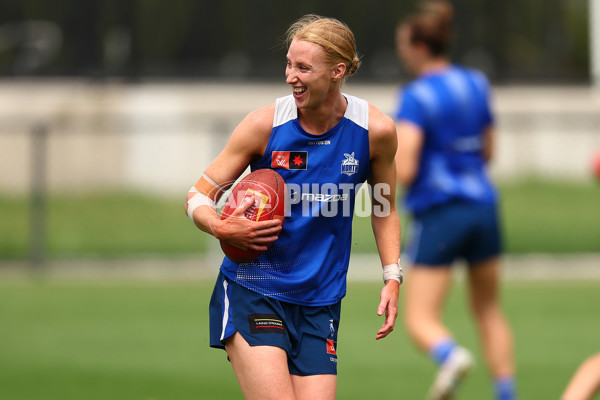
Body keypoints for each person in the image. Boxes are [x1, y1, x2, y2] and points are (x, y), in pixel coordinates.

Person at [185, 14, 402, 400]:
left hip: (321, 302)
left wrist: (392, 276)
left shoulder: (376, 131)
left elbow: (384, 207)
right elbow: (198, 196)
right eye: (288, 64)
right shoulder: (264, 125)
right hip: (255, 288)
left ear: (337, 71)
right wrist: (220, 227)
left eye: (303, 67)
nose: (290, 76)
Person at [392, 2, 517, 399]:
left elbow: (407, 168)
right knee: (489, 310)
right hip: (484, 207)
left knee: (419, 319)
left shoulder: (416, 96)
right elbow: (488, 151)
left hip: (441, 212)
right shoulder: (476, 83)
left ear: (417, 47)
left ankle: (450, 356)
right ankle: (506, 394)